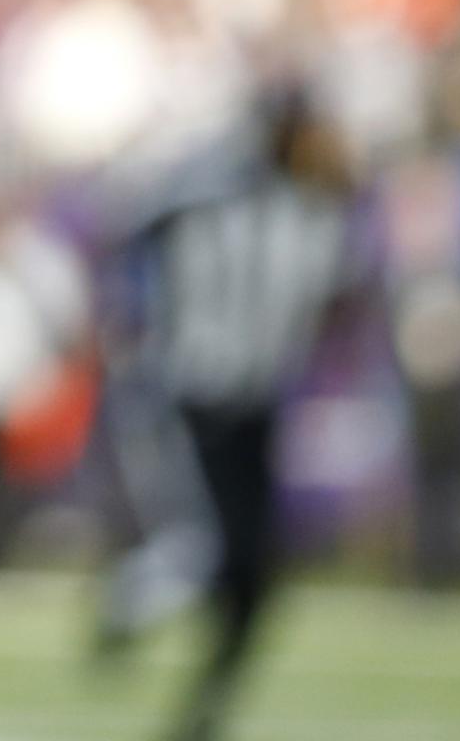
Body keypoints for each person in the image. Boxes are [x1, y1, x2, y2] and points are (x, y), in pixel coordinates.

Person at [93, 84, 363, 741]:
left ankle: (206, 706)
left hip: (257, 407)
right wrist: (127, 328)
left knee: (255, 576)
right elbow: (122, 227)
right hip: (190, 398)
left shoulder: (322, 215)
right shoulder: (205, 199)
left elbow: (336, 300)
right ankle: (125, 605)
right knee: (206, 551)